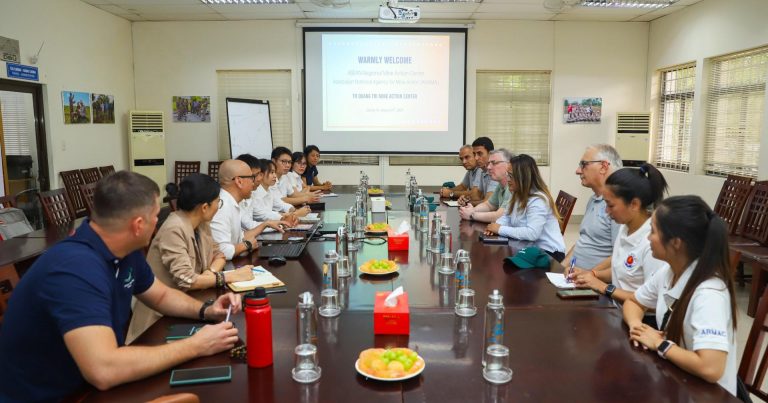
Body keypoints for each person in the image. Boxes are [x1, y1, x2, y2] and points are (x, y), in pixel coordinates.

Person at [0, 171, 241, 401]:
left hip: (87, 386)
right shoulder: (75, 268)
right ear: (138, 225)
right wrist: (196, 345)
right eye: (156, 216)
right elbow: (104, 369)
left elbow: (161, 296)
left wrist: (207, 310)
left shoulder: (125, 251)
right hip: (54, 397)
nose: (159, 222)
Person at [623, 196, 738, 396]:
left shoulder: (709, 294)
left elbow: (711, 368)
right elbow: (633, 301)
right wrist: (637, 327)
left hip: (704, 393)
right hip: (677, 380)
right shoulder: (669, 272)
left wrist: (659, 343)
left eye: (653, 231)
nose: (648, 238)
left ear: (676, 242)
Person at [127, 174, 256, 343]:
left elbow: (219, 254)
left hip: (187, 305)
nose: (219, 206)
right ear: (204, 207)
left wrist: (211, 272)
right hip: (158, 322)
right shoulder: (174, 228)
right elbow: (186, 279)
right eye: (218, 201)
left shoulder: (201, 223)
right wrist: (230, 276)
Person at [571, 164, 668, 305]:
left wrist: (604, 287)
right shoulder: (626, 227)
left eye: (611, 205)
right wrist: (592, 274)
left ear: (634, 204)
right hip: (615, 309)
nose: (606, 211)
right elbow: (620, 270)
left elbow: (654, 302)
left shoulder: (652, 242)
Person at [484, 154, 565, 261]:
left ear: (523, 177)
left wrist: (500, 229)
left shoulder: (538, 199)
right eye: (507, 174)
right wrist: (496, 226)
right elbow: (506, 217)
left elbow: (532, 233)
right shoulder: (516, 193)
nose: (507, 179)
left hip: (549, 253)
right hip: (529, 247)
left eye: (511, 176)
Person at [563, 144, 623, 271]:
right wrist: (560, 268)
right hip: (575, 277)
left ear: (603, 167)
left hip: (594, 283)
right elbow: (584, 241)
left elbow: (620, 256)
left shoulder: (620, 206)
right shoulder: (593, 200)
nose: (578, 171)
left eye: (583, 164)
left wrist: (590, 276)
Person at [210, 160, 283, 260]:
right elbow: (222, 252)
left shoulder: (232, 202)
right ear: (239, 181)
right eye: (251, 177)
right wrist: (247, 244)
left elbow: (239, 238)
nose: (254, 182)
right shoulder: (222, 206)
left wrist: (265, 224)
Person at [459, 148, 514, 223]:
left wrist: (472, 215)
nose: (488, 167)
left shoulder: (512, 186)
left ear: (508, 164)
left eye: (494, 163)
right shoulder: (501, 185)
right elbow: (489, 205)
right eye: (489, 163)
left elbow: (500, 216)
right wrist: (473, 210)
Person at [459, 136, 497, 206]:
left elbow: (487, 203)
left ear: (490, 153)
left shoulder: (495, 171)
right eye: (474, 154)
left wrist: (467, 203)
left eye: (480, 154)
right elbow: (477, 196)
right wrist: (466, 198)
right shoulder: (483, 170)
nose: (476, 158)